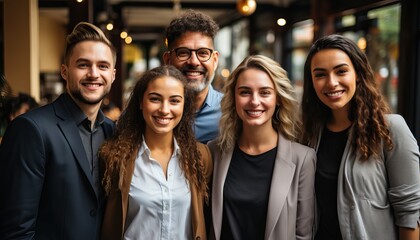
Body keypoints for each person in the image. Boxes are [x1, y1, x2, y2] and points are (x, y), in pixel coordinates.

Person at [0, 22, 116, 239]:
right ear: (65, 71)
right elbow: (16, 230)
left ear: (113, 74)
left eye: (103, 66)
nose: (93, 74)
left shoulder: (114, 132)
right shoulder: (30, 129)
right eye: (83, 65)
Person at [300, 34, 420, 240]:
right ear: (311, 82)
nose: (331, 83)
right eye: (320, 74)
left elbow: (408, 212)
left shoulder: (390, 129)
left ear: (357, 73)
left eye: (341, 71)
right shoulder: (309, 133)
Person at [208, 55, 316, 239]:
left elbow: (304, 233)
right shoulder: (214, 151)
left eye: (265, 92)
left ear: (278, 98)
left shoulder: (303, 158)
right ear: (234, 98)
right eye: (245, 92)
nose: (254, 101)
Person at [100, 65, 213, 240]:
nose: (164, 109)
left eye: (174, 101)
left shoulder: (200, 157)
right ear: (140, 102)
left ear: (184, 105)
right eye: (155, 99)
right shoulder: (114, 156)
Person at [163, 9, 223, 144]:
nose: (194, 62)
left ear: (215, 60)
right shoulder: (148, 112)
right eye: (183, 53)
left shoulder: (232, 114)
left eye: (203, 53)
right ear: (167, 60)